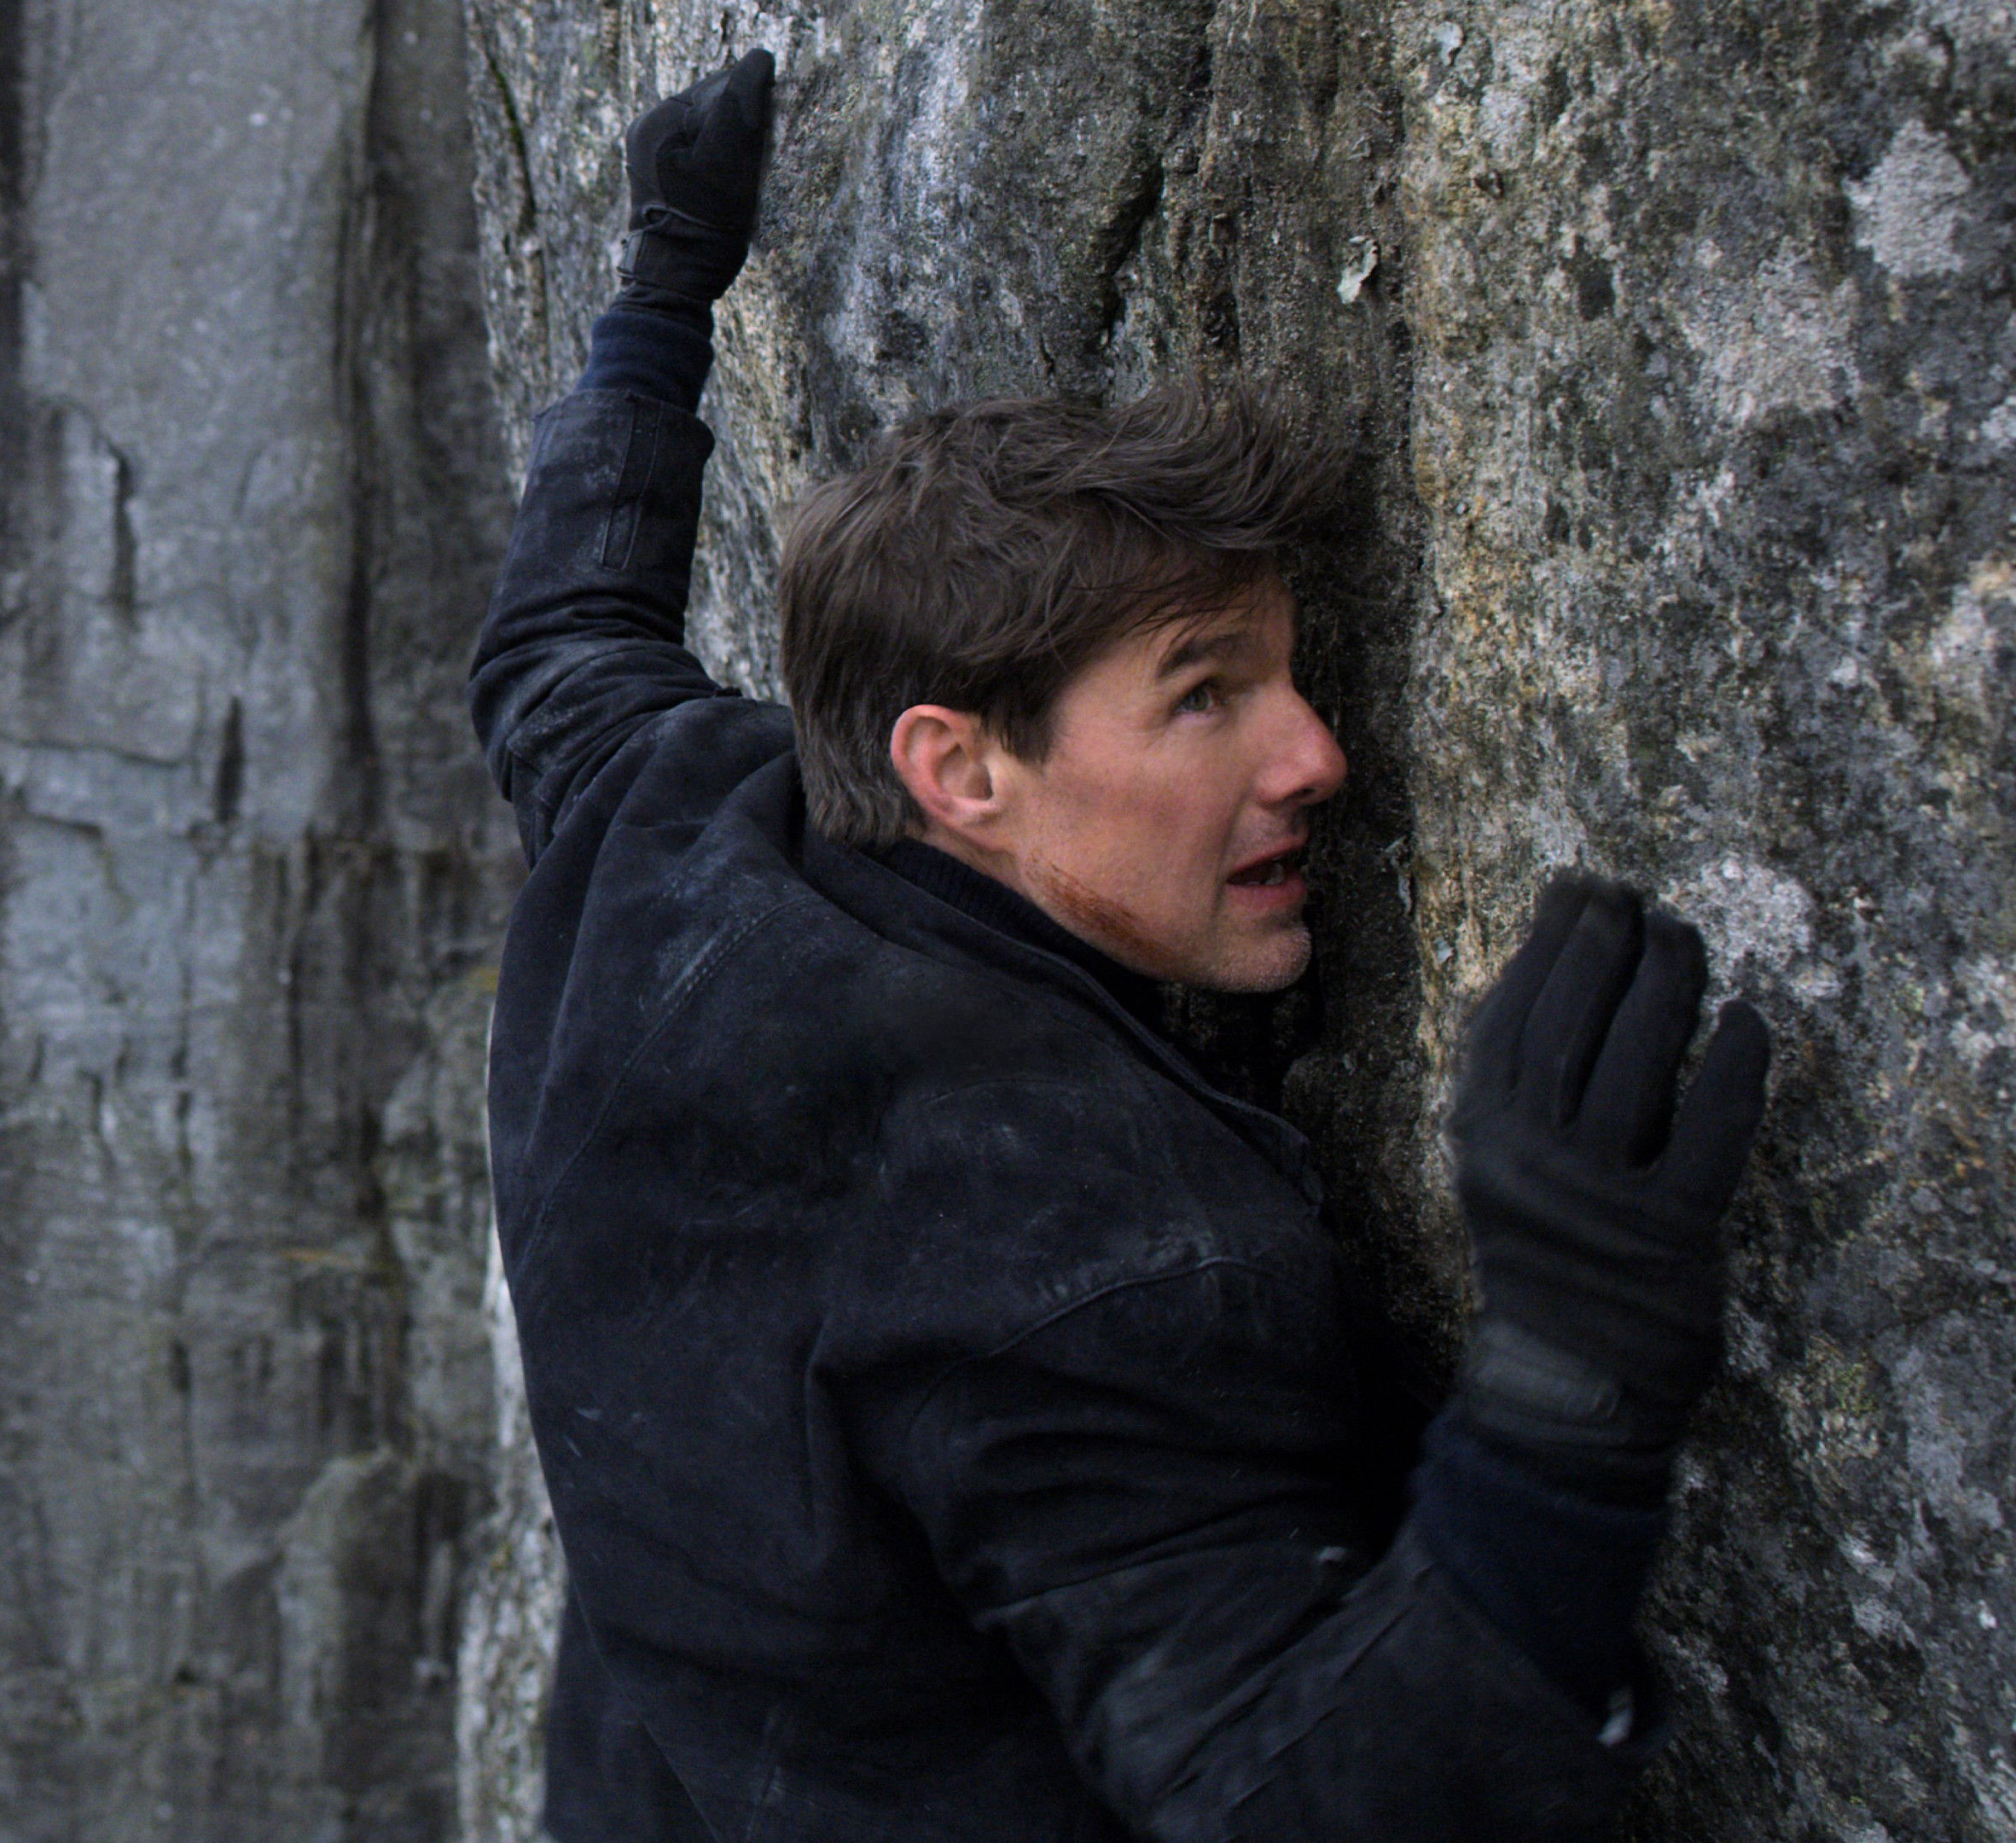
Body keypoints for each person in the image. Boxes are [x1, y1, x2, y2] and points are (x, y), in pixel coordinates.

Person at [468, 49, 1772, 1842]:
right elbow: (1282, 1802)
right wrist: (1573, 1379)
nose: (1316, 756)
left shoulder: (666, 821)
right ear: (958, 768)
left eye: (1290, 676)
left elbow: (555, 642)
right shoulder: (1075, 1249)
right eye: (1204, 696)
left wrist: (664, 284)